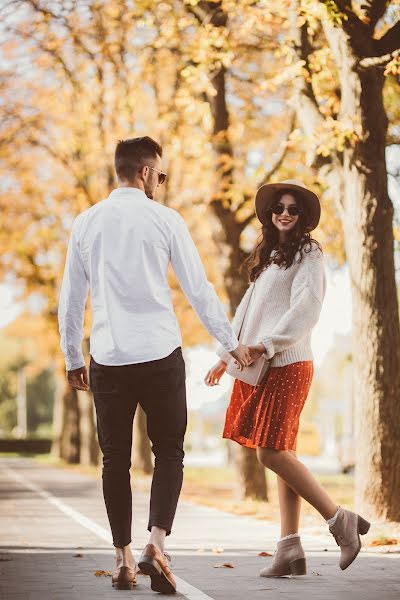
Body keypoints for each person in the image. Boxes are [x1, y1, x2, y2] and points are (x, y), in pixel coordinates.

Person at [58, 136, 251, 593]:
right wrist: (230, 341)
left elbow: (70, 300)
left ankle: (123, 560)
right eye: (160, 176)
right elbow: (198, 288)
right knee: (168, 451)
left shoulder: (85, 224)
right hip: (161, 355)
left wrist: (71, 357)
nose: (161, 184)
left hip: (107, 356)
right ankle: (156, 544)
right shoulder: (165, 220)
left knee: (114, 462)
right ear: (145, 173)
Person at [205, 180, 370, 577]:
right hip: (263, 365)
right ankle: (289, 550)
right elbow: (247, 310)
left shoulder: (309, 253)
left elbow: (307, 309)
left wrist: (266, 344)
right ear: (270, 213)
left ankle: (339, 521)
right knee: (281, 453)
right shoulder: (271, 255)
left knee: (270, 453)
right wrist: (227, 355)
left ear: (303, 217)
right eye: (279, 206)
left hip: (288, 363)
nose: (285, 212)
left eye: (293, 209)